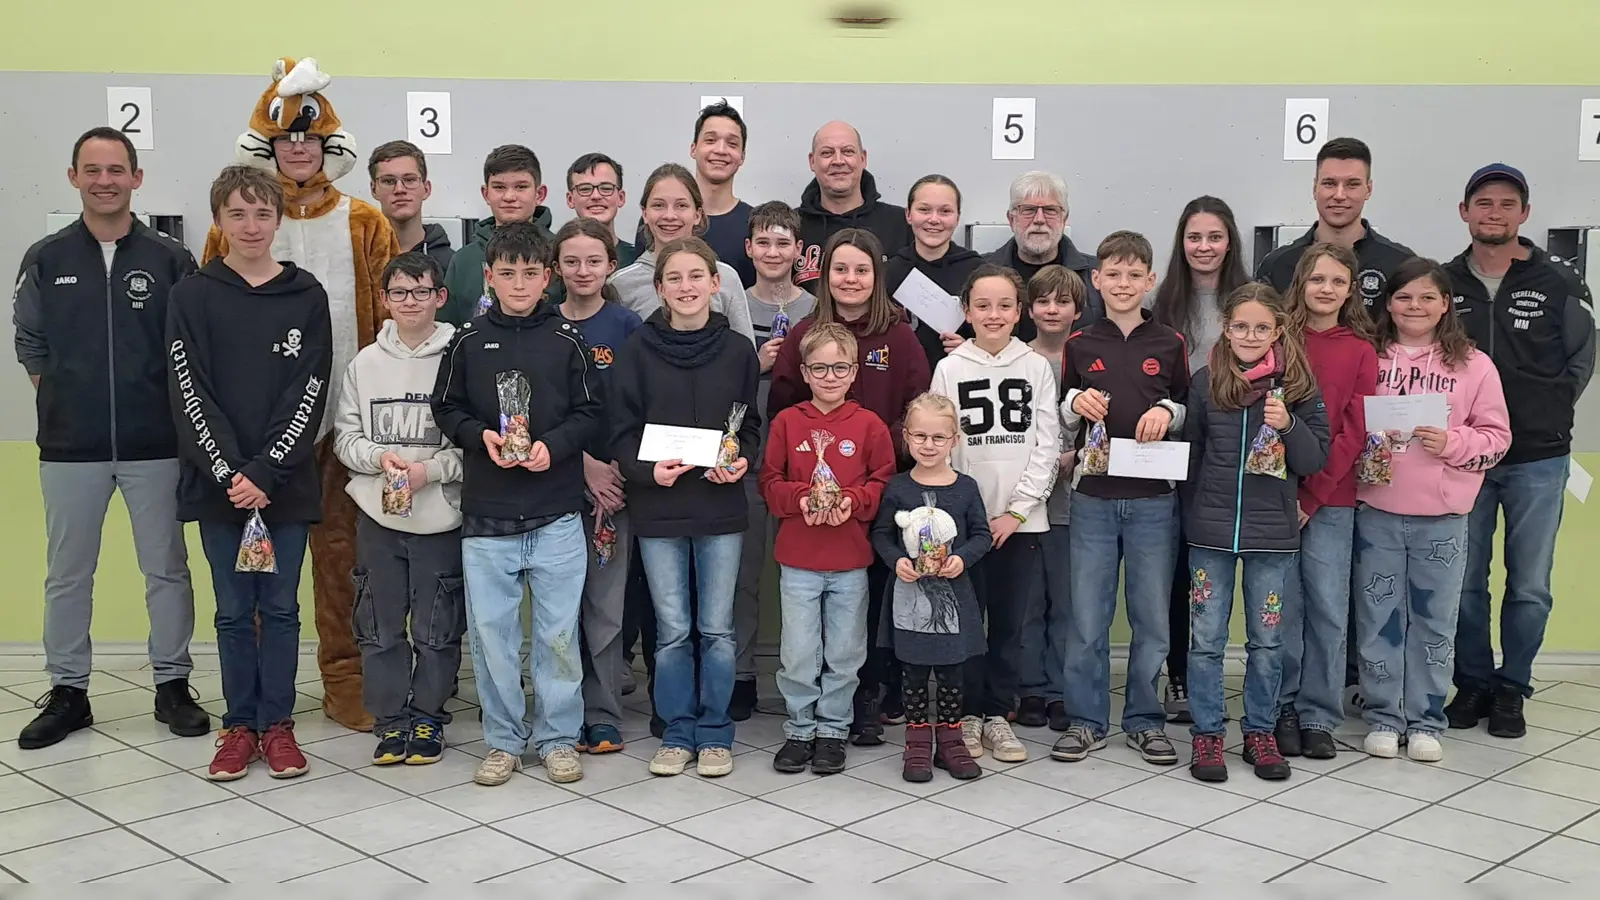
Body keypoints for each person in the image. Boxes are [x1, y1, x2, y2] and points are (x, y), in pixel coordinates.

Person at [204, 56, 400, 731]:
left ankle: (346, 677)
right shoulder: (236, 222)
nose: (297, 148)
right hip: (257, 432)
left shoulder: (364, 221)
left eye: (309, 138)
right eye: (285, 137)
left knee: (344, 561)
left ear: (327, 144)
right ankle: (259, 693)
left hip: (343, 424)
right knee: (257, 564)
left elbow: (391, 318)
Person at [11, 127, 210, 749]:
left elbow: (191, 348)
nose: (105, 181)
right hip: (70, 447)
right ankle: (68, 692)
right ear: (74, 177)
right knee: (68, 575)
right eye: (92, 170)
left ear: (136, 178)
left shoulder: (170, 259)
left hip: (157, 445)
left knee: (167, 570)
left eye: (116, 169)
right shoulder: (45, 258)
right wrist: (66, 397)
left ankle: (173, 684)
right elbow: (29, 342)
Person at [173, 165, 333, 781]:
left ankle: (279, 725)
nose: (250, 226)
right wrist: (229, 472)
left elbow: (310, 388)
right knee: (234, 611)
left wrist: (266, 469)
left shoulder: (306, 295)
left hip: (283, 483)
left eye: (262, 213)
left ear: (279, 219)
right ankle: (240, 725)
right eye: (237, 214)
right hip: (219, 485)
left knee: (283, 609)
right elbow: (188, 388)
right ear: (218, 220)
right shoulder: (192, 295)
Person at [430, 223, 601, 787]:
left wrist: (554, 447)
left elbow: (590, 412)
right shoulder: (467, 341)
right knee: (493, 639)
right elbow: (445, 408)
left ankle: (558, 738)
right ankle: (503, 740)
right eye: (507, 274)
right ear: (489, 277)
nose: (519, 284)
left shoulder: (568, 339)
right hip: (488, 518)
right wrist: (480, 437)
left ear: (547, 277)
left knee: (558, 636)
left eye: (530, 273)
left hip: (556, 513)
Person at [1444, 164, 1595, 739]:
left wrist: (1545, 412)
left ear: (1524, 213)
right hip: (1465, 457)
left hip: (1538, 456)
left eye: (1507, 204)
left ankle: (1513, 687)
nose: (1494, 213)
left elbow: (1582, 359)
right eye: (1483, 203)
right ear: (1465, 212)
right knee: (1464, 580)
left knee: (1530, 583)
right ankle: (1473, 681)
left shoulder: (1560, 281)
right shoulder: (1444, 282)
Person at [769, 228, 932, 743]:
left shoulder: (899, 336)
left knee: (873, 598)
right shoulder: (804, 332)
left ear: (876, 276)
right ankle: (809, 714)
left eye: (862, 270)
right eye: (840, 269)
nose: (850, 279)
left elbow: (918, 404)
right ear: (825, 275)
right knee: (814, 618)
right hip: (813, 504)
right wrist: (812, 489)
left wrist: (879, 451)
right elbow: (784, 408)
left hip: (883, 486)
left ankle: (867, 699)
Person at [610, 236, 761, 779]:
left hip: (720, 506)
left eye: (697, 276)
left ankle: (715, 731)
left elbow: (750, 426)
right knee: (673, 629)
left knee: (717, 629)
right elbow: (621, 431)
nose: (686, 286)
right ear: (658, 289)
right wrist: (648, 471)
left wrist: (741, 459)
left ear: (715, 284)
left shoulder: (739, 351)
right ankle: (676, 731)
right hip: (660, 508)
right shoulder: (637, 350)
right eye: (674, 278)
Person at [1357, 257, 1511, 762]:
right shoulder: (1368, 357)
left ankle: (1426, 720)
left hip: (1443, 517)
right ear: (1388, 303)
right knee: (1378, 617)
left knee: (1435, 622)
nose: (1415, 306)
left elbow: (1497, 439)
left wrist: (1452, 442)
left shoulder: (1474, 364)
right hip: (1376, 509)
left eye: (1427, 297)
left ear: (1446, 304)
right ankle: (1383, 715)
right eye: (1404, 297)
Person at [1182, 284, 1329, 783]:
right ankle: (1207, 733)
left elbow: (1315, 459)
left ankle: (1260, 731)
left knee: (1267, 641)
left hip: (1272, 538)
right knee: (1206, 640)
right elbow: (1192, 455)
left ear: (1278, 331)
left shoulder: (1299, 385)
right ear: (1226, 329)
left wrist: (1288, 425)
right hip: (1211, 535)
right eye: (1241, 326)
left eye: (1261, 327)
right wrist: (1194, 517)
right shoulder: (1206, 381)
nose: (1250, 335)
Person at [1054, 231, 1189, 767]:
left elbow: (1187, 405)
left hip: (1154, 499)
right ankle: (1086, 721)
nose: (1124, 283)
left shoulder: (1170, 342)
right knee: (1088, 617)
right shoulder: (1080, 342)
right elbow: (1063, 409)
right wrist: (1074, 402)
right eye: (1113, 274)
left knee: (1151, 618)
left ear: (1150, 280)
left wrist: (1168, 412)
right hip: (1093, 496)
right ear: (1096, 280)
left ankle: (1144, 721)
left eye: (1135, 274)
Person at [332, 251, 464, 766]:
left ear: (440, 297)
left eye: (422, 291)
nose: (411, 302)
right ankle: (390, 721)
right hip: (378, 518)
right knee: (379, 625)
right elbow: (345, 438)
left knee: (436, 628)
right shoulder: (365, 364)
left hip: (440, 517)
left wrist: (430, 471)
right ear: (385, 300)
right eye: (400, 293)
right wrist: (378, 459)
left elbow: (473, 444)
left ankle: (429, 716)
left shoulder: (459, 355)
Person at [930, 264, 1059, 764]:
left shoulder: (1036, 367)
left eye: (1005, 305)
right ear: (966, 311)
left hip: (1018, 524)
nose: (994, 314)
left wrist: (1018, 512)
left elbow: (1047, 446)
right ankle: (966, 713)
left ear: (1019, 311)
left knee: (1008, 623)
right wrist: (966, 516)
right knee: (967, 621)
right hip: (966, 525)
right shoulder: (950, 368)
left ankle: (998, 714)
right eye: (982, 305)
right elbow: (942, 443)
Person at [761, 323, 895, 775]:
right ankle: (800, 729)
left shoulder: (869, 425)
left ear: (854, 371)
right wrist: (802, 499)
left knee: (844, 652)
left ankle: (834, 729)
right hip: (799, 558)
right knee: (798, 652)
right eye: (819, 368)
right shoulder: (787, 422)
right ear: (804, 372)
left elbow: (882, 483)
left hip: (850, 559)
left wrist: (852, 502)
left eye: (839, 368)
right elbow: (770, 482)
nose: (830, 377)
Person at [1145, 196, 1252, 725]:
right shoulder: (1160, 302)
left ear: (1230, 242)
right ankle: (1180, 676)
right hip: (1171, 449)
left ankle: (1221, 676)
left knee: (1221, 567)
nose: (1204, 247)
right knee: (1177, 571)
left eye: (1214, 237)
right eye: (1194, 237)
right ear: (1181, 243)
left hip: (1232, 450)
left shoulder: (1251, 299)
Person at [1275, 243, 1378, 760]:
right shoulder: (1278, 340)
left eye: (1338, 281)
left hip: (1331, 498)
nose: (1326, 289)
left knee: (1328, 609)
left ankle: (1318, 713)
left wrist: (1313, 497)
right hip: (1275, 494)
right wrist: (1290, 493)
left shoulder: (1361, 350)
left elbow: (1354, 431)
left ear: (1351, 290)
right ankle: (1280, 707)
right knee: (1281, 609)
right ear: (1301, 283)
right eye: (1317, 279)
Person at [553, 217, 643, 754]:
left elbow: (639, 406)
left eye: (593, 261)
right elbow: (536, 412)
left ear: (611, 265)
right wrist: (583, 463)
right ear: (556, 268)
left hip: (615, 488)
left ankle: (603, 713)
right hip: (556, 482)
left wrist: (616, 469)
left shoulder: (627, 326)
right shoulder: (542, 322)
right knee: (560, 607)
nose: (582, 271)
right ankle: (561, 711)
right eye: (571, 261)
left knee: (606, 605)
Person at [872, 393, 990, 782]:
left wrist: (962, 559)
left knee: (953, 672)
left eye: (939, 437)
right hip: (909, 600)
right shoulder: (897, 487)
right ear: (906, 436)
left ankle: (951, 742)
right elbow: (882, 534)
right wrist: (897, 561)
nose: (928, 445)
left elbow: (982, 535)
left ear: (955, 440)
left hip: (955, 598)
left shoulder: (966, 488)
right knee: (914, 672)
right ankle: (918, 742)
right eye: (920, 436)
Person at [731, 201, 817, 719]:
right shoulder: (732, 305)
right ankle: (741, 673)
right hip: (745, 458)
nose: (772, 251)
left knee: (804, 578)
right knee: (743, 573)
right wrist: (753, 363)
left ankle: (803, 677)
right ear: (749, 248)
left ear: (798, 251)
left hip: (804, 465)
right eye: (763, 242)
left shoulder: (817, 310)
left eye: (783, 242)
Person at [1017, 266, 1085, 733]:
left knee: (1066, 601)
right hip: (1024, 500)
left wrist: (1075, 455)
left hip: (1072, 500)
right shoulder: (1017, 359)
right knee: (1027, 601)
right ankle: (1029, 689)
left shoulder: (1090, 357)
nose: (1052, 310)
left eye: (1063, 302)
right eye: (1043, 301)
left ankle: (1061, 691)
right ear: (1029, 309)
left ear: (1078, 310)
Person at [1254, 137, 1414, 308]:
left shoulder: (1401, 263)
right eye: (1329, 183)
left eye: (1352, 184)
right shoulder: (1277, 265)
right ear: (1314, 188)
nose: (1339, 195)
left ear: (1368, 190)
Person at [610, 163, 757, 344]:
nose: (670, 216)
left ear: (697, 214)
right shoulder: (621, 285)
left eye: (681, 205)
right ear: (645, 214)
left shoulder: (725, 277)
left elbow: (744, 352)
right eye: (658, 205)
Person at [440, 144, 555, 325]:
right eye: (499, 187)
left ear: (540, 194)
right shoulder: (464, 260)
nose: (509, 196)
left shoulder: (561, 253)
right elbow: (447, 328)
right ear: (486, 194)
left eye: (521, 187)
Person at [982, 171, 1104, 335]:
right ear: (1011, 219)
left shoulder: (1097, 275)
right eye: (1028, 210)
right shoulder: (980, 272)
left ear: (1063, 219)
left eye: (1050, 210)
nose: (1039, 219)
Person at [883, 174, 985, 368]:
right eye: (924, 210)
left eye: (945, 211)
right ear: (908, 215)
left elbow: (997, 336)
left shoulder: (978, 272)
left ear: (957, 218)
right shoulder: (888, 273)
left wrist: (973, 350)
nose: (934, 219)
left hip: (959, 379)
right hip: (900, 379)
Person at [795, 121, 912, 288]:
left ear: (863, 159)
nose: (838, 161)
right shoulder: (791, 227)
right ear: (812, 161)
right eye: (827, 153)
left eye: (847, 151)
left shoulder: (901, 225)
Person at [692, 101, 756, 288]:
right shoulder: (666, 220)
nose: (720, 150)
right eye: (710, 140)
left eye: (732, 144)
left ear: (742, 156)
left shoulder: (755, 224)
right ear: (693, 149)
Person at [368, 140, 454, 272]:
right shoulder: (358, 260)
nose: (399, 189)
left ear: (426, 189)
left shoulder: (452, 265)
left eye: (409, 180)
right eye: (388, 181)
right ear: (374, 189)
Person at [566, 152, 637, 268]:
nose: (596, 196)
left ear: (621, 198)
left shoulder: (637, 261)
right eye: (585, 189)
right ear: (570, 199)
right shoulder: (552, 258)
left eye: (606, 188)